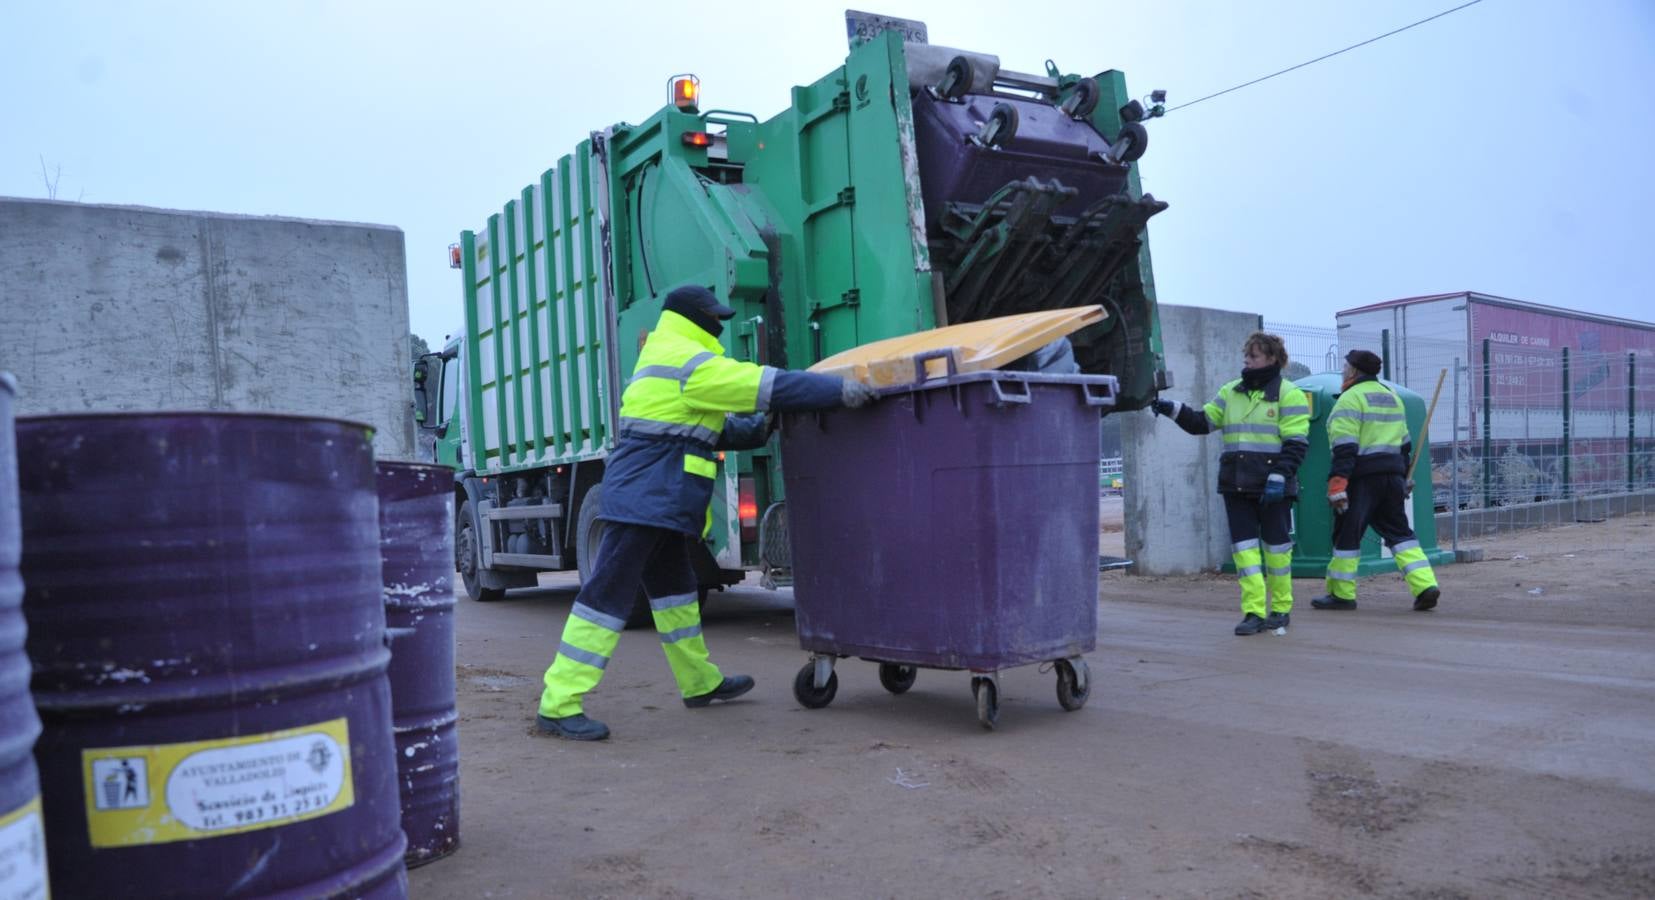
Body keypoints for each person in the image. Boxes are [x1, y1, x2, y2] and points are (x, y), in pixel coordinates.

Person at [536, 285, 878, 741]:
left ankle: (699, 683)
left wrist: (760, 428)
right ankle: (558, 703)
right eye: (713, 316)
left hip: (657, 502)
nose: (719, 323)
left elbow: (707, 430)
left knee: (677, 597)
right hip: (644, 501)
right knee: (605, 599)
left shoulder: (671, 355)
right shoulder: (688, 362)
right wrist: (839, 390)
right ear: (691, 317)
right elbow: (767, 384)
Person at [1150, 332, 1311, 635]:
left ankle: (1281, 609)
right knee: (1245, 552)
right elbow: (1201, 423)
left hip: (1273, 486)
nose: (1247, 361)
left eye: (1254, 356)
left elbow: (1297, 442)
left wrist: (1280, 475)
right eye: (1246, 356)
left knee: (1277, 551)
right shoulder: (1230, 392)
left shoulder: (1289, 394)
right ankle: (1253, 612)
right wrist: (1171, 408)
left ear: (1272, 359)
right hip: (1236, 484)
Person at [1313, 350, 1442, 612]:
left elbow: (1344, 447)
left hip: (1362, 480)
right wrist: (1405, 476)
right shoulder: (1391, 397)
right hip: (1393, 478)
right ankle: (1425, 585)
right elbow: (1404, 443)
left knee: (1347, 535)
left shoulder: (1349, 400)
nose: (1342, 371)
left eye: (1345, 367)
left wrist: (1337, 484)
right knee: (1400, 534)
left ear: (1354, 371)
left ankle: (1341, 594)